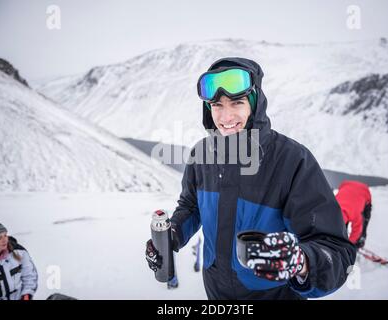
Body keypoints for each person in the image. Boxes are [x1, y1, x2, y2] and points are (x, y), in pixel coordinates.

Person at [146, 57, 356, 299]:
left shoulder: (292, 160)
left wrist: (301, 261)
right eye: (217, 105)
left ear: (255, 103)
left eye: (237, 102)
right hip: (216, 293)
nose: (225, 117)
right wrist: (173, 234)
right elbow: (191, 206)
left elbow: (336, 251)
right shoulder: (201, 155)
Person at [0, 221, 38, 300]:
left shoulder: (19, 252)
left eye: (5, 235)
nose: (4, 240)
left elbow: (29, 276)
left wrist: (26, 295)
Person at [335, 180, 372, 248]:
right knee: (341, 227)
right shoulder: (332, 207)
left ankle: (360, 240)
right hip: (346, 186)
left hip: (364, 192)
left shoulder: (356, 215)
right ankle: (342, 239)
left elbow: (357, 230)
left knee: (364, 223)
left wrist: (350, 245)